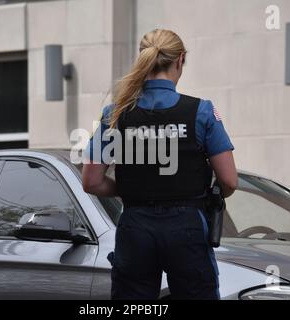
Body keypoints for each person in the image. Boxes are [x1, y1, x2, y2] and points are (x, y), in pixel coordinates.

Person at [82, 29, 237, 300]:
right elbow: (229, 181)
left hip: (135, 227)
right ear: (180, 60)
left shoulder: (116, 113)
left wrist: (130, 189)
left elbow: (91, 181)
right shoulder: (201, 111)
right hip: (187, 227)